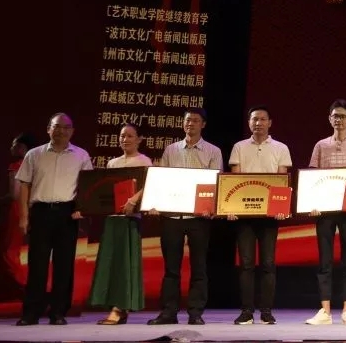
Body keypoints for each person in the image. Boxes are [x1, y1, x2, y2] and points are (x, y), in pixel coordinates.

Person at [147, 108, 223, 326]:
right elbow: (162, 180)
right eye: (188, 120)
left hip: (199, 218)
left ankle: (195, 313)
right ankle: (168, 312)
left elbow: (216, 183)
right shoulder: (171, 150)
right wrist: (155, 204)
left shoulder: (213, 151)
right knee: (171, 268)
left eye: (195, 120)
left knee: (199, 267)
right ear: (183, 124)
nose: (191, 124)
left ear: (203, 124)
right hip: (172, 216)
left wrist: (210, 207)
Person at [15, 113, 93, 326]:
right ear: (48, 129)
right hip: (40, 212)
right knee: (37, 265)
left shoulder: (81, 155)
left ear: (72, 131)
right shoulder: (34, 154)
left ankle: (58, 312)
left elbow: (87, 185)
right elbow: (24, 185)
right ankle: (31, 313)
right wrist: (24, 216)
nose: (61, 131)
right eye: (57, 126)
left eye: (66, 127)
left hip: (67, 214)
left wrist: (82, 208)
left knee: (64, 265)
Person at [228, 105, 293, 325]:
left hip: (269, 216)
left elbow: (282, 181)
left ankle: (266, 312)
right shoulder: (239, 147)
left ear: (270, 123)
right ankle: (246, 311)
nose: (258, 123)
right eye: (254, 119)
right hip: (244, 215)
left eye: (263, 119)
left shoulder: (281, 148)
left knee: (268, 263)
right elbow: (234, 181)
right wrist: (231, 208)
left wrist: (281, 208)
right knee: (246, 264)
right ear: (249, 123)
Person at [305, 99, 346, 326]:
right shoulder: (321, 145)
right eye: (335, 116)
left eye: (342, 116)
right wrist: (312, 204)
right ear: (329, 119)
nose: (338, 120)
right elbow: (312, 178)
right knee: (325, 260)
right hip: (325, 210)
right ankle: (325, 311)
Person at [90, 123, 152, 325]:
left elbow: (148, 186)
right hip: (112, 218)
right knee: (111, 262)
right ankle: (114, 306)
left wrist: (133, 200)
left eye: (130, 136)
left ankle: (120, 308)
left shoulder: (144, 161)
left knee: (125, 264)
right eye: (122, 136)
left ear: (139, 139)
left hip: (130, 219)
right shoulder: (112, 163)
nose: (125, 139)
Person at [0, 133, 34, 300]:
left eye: (15, 145)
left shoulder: (15, 166)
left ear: (22, 148)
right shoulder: (34, 164)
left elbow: (14, 194)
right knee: (20, 248)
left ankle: (19, 285)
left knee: (10, 250)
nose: (11, 148)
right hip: (31, 208)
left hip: (16, 210)